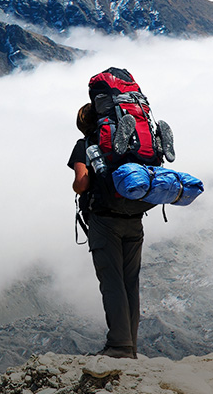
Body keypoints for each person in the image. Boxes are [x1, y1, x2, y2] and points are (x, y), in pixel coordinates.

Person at [68, 102, 142, 359]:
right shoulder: (127, 143)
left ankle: (119, 346)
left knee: (112, 283)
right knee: (130, 283)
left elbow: (82, 183)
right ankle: (130, 345)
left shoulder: (84, 144)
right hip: (134, 216)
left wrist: (78, 187)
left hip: (104, 221)